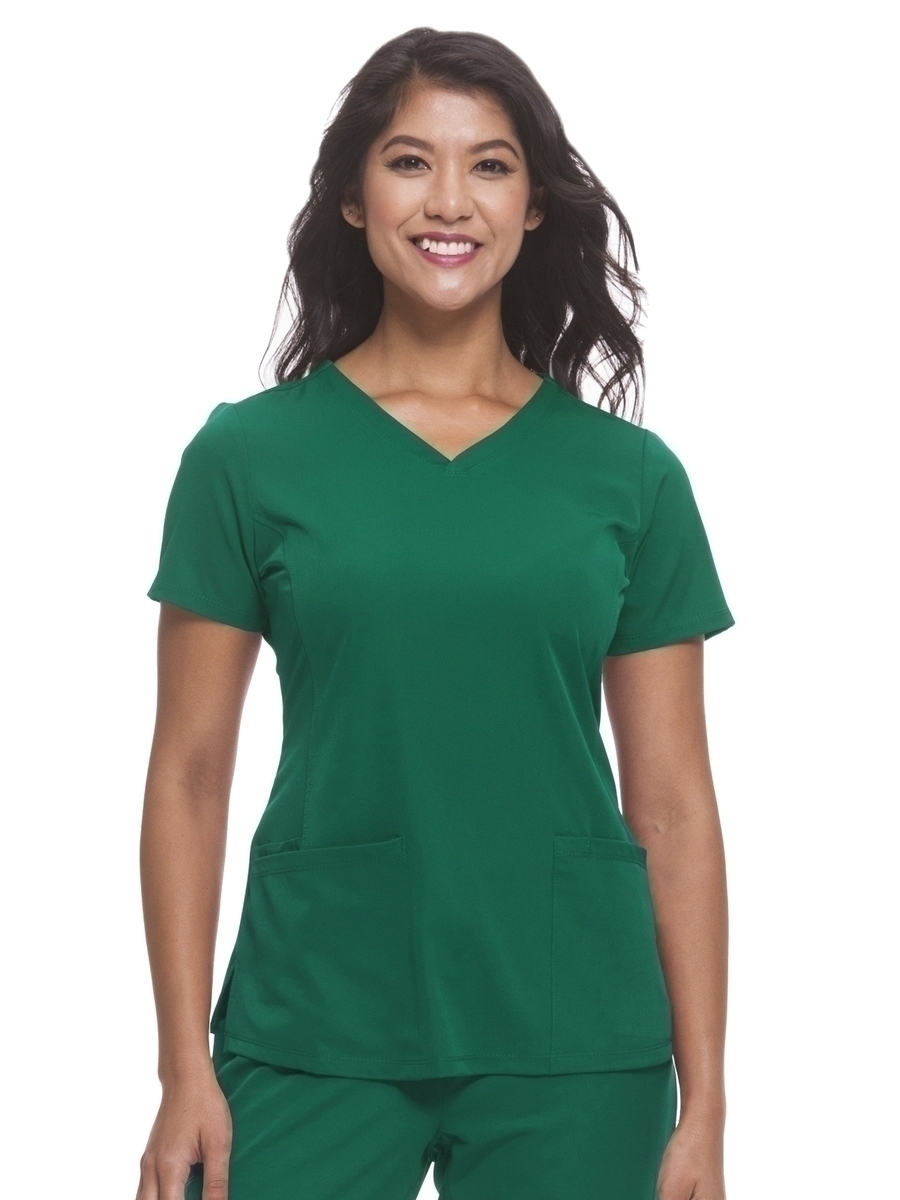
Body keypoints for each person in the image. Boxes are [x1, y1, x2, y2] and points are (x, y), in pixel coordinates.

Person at [136, 26, 735, 1200]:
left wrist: (706, 1106)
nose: (449, 200)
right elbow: (189, 775)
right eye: (410, 161)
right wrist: (180, 1069)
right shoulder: (247, 458)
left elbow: (671, 800)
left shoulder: (631, 479)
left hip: (576, 1034)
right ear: (353, 197)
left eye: (490, 165)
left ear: (534, 206)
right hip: (315, 1013)